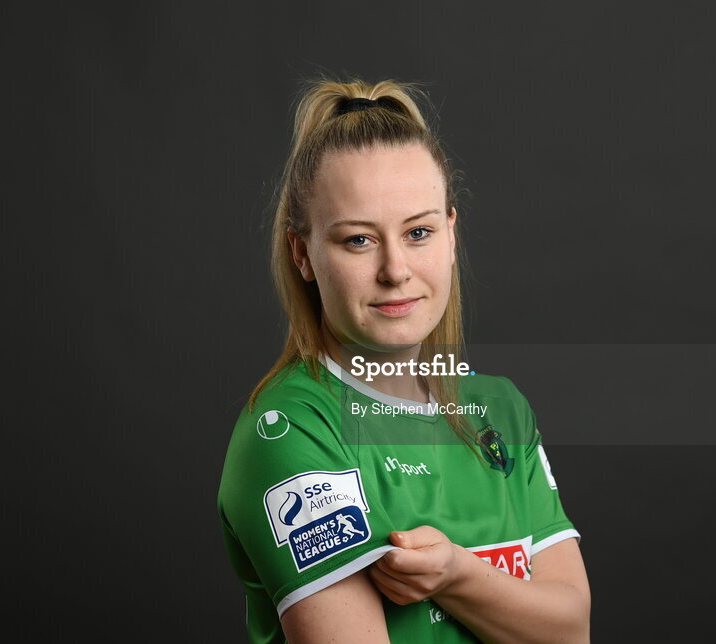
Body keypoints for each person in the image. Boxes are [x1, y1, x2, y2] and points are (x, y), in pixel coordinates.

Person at [217, 77, 591, 643]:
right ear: (304, 255)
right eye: (359, 241)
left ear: (451, 236)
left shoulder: (500, 407)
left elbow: (569, 632)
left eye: (418, 232)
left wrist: (456, 574)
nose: (396, 270)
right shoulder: (290, 430)